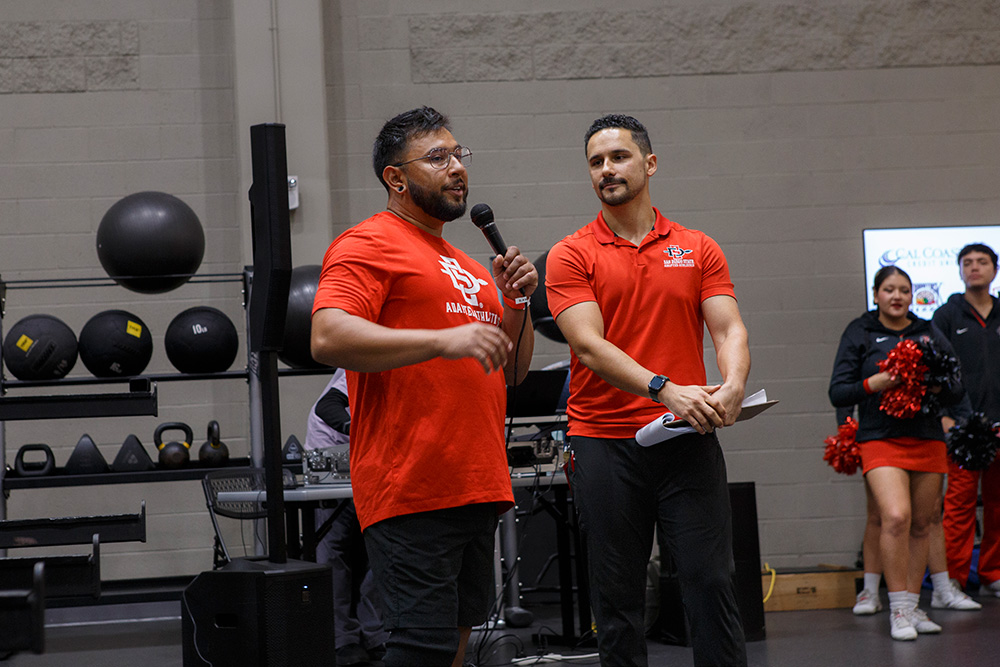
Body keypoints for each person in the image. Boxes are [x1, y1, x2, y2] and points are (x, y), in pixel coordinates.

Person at [310, 106, 537, 667]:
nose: (457, 167)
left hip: (476, 483)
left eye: (460, 154)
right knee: (420, 648)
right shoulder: (368, 242)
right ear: (396, 177)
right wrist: (440, 340)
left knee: (454, 647)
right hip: (412, 484)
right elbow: (326, 334)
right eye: (438, 157)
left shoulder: (469, 264)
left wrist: (518, 303)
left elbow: (511, 371)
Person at [546, 114, 750, 667]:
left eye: (618, 157)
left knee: (711, 585)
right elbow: (588, 345)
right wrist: (664, 388)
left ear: (649, 163)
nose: (606, 170)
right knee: (618, 602)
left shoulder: (696, 247)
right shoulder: (571, 253)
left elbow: (728, 327)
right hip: (605, 444)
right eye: (596, 162)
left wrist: (732, 385)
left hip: (686, 438)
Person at [829, 266, 966, 640]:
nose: (897, 296)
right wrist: (877, 382)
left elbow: (956, 387)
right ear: (876, 294)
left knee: (923, 523)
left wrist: (934, 387)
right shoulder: (860, 332)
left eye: (904, 290)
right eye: (889, 289)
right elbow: (838, 392)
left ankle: (912, 607)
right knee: (894, 516)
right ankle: (898, 610)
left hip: (926, 438)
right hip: (880, 438)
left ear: (912, 296)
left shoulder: (927, 331)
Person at [304, 369, 389, 667]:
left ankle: (376, 633)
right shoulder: (367, 360)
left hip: (369, 458)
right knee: (333, 550)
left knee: (381, 547)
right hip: (333, 454)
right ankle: (343, 639)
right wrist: (358, 428)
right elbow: (328, 406)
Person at [933, 242, 1000, 599]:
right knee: (959, 505)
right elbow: (936, 373)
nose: (975, 267)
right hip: (962, 429)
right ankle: (954, 579)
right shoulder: (946, 315)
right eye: (968, 263)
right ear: (959, 270)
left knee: (998, 504)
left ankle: (993, 573)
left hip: (999, 425)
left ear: (994, 269)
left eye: (982, 262)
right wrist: (945, 416)